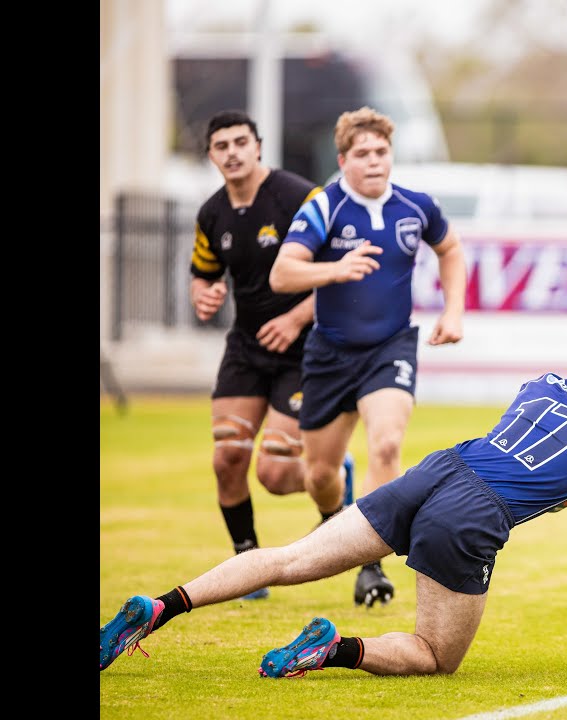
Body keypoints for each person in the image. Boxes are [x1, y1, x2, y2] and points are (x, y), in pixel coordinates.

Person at [100, 351, 567, 676]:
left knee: (292, 559)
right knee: (438, 657)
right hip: (474, 514)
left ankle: (162, 605)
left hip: (439, 469)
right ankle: (334, 648)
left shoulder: (542, 383)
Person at [268, 106, 468, 608]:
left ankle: (371, 562)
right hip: (330, 356)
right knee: (319, 477)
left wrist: (454, 310)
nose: (374, 162)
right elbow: (282, 274)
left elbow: (450, 249)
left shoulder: (416, 206)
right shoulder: (324, 207)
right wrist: (334, 270)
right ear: (343, 159)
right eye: (363, 154)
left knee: (386, 444)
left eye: (382, 152)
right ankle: (334, 514)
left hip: (390, 347)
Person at [189, 109, 356, 601]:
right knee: (226, 459)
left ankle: (333, 476)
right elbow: (204, 272)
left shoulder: (299, 196)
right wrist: (203, 293)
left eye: (241, 142)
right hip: (245, 347)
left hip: (304, 349)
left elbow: (338, 270)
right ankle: (248, 567)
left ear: (258, 146)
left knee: (276, 474)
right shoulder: (211, 213)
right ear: (212, 156)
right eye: (222, 146)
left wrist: (296, 318)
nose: (233, 152)